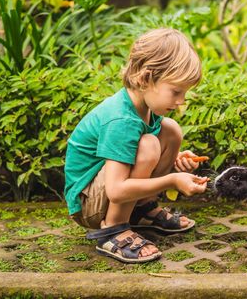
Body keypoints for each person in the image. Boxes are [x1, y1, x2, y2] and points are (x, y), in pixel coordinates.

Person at [64, 28, 209, 263]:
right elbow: (116, 190)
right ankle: (113, 228)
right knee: (149, 144)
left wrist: (175, 161)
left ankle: (141, 210)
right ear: (146, 79)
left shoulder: (144, 108)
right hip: (87, 203)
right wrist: (173, 180)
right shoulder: (122, 120)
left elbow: (130, 158)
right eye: (176, 91)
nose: (182, 101)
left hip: (107, 187)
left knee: (170, 130)